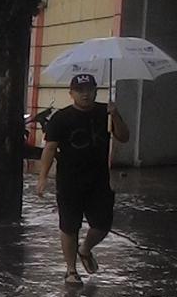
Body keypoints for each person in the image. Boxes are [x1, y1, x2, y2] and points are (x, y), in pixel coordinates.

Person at [37, 73, 130, 285]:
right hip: (69, 181)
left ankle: (85, 249)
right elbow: (50, 148)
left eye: (89, 90)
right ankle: (71, 270)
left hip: (99, 180)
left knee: (103, 224)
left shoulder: (104, 112)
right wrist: (42, 177)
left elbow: (124, 137)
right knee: (69, 226)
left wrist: (115, 116)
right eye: (80, 91)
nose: (85, 94)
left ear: (96, 91)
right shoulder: (61, 118)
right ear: (71, 94)